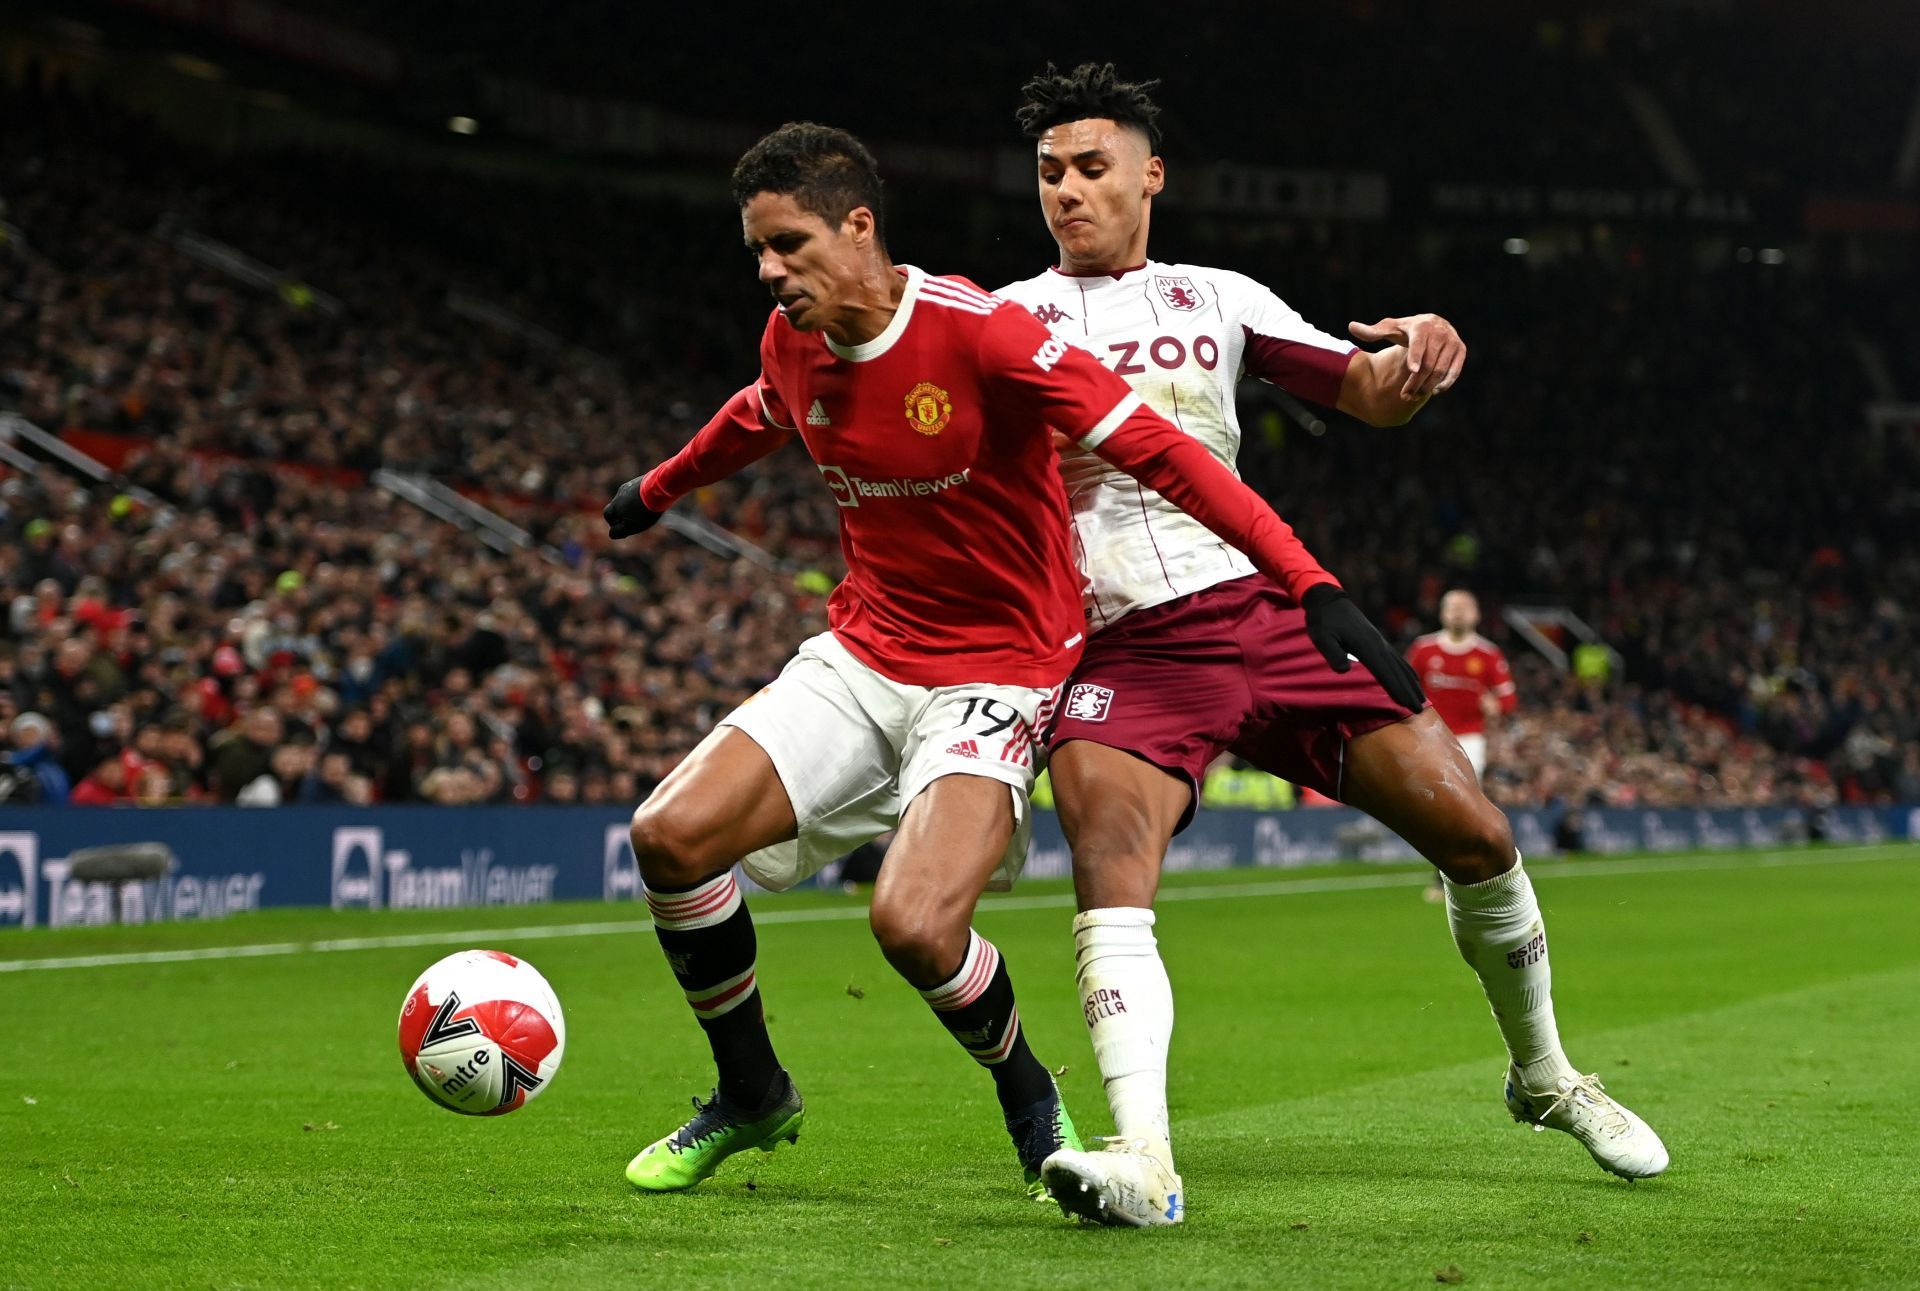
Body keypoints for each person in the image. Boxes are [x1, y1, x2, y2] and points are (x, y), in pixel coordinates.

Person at [602, 121, 1409, 1204]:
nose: (768, 271)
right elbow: (760, 416)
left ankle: (1030, 1094)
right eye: (756, 249)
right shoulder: (789, 340)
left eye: (787, 244)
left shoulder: (986, 335)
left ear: (859, 226)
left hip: (1002, 671)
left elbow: (1161, 452)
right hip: (866, 649)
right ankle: (751, 1092)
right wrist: (654, 491)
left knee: (914, 924)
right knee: (669, 835)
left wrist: (1312, 583)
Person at [993, 64, 1667, 1226]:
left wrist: (1418, 356)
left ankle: (1548, 1076)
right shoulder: (1003, 318)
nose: (1067, 192)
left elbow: (1366, 390)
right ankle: (1143, 1155)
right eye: (1050, 172)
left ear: (1151, 175)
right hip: (1119, 646)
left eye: (1091, 168)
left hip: (1269, 611)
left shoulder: (1220, 297)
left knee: (1479, 831)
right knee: (1112, 871)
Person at [1409, 589, 1518, 900]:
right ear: (1442, 613)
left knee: (1462, 803)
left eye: (1464, 608)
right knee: (1435, 805)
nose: (1457, 613)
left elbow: (1508, 697)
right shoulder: (1423, 649)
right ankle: (1452, 871)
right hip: (1429, 734)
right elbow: (1403, 684)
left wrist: (1496, 705)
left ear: (1476, 615)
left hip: (1469, 737)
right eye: (1452, 607)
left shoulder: (1487, 654)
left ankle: (1453, 877)